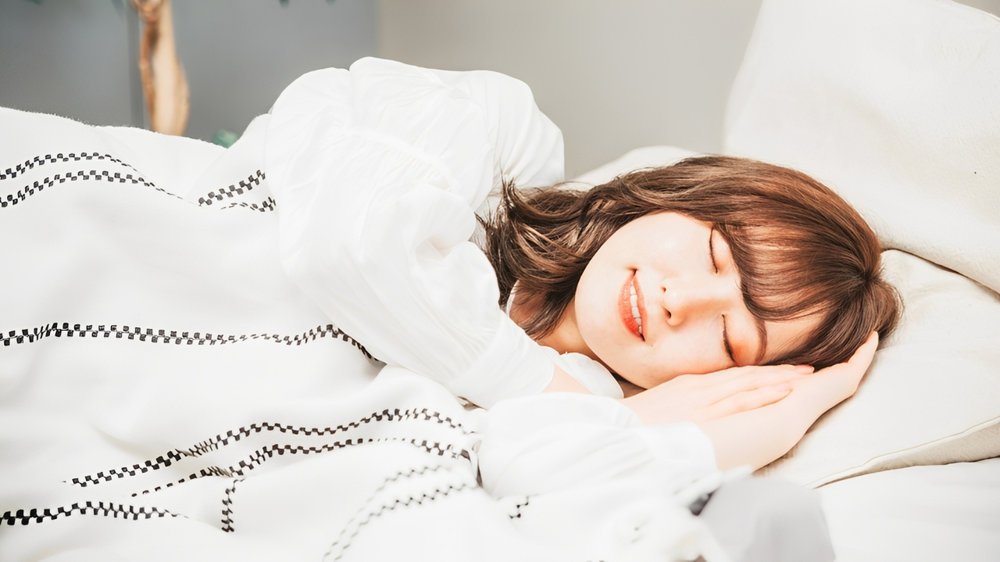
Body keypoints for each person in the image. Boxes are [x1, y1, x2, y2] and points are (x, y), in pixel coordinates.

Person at [264, 57, 900, 559]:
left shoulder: (592, 404)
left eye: (729, 339)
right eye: (713, 253)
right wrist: (562, 394)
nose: (679, 301)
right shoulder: (504, 137)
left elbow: (518, 489)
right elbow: (353, 248)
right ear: (684, 195)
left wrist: (785, 417)